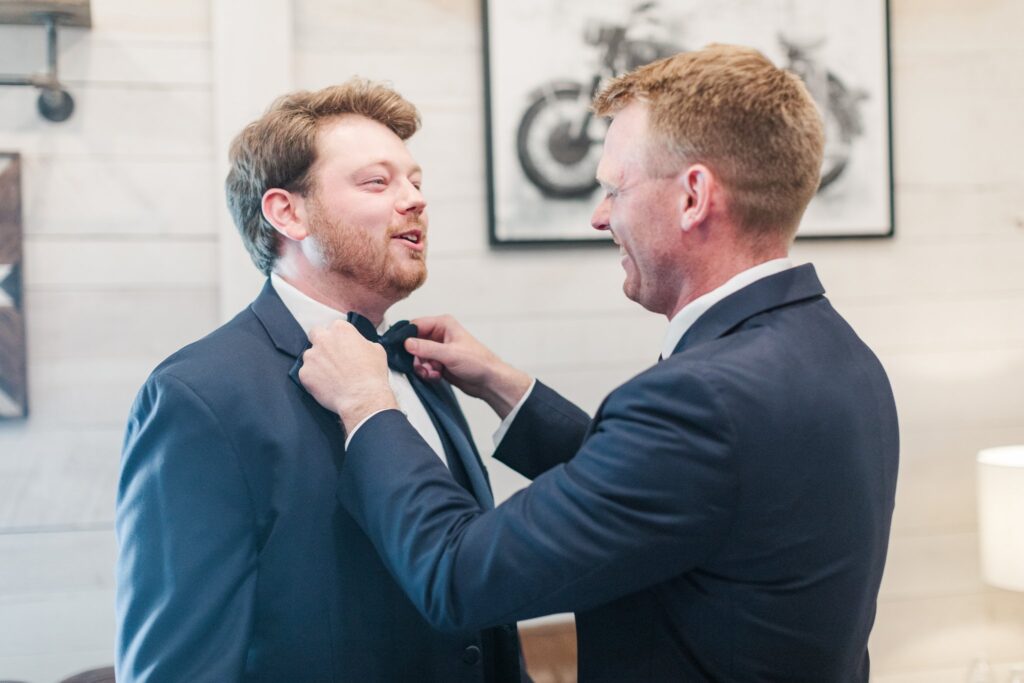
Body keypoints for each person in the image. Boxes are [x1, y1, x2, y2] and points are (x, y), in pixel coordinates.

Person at [298, 45, 900, 682]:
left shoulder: (701, 401)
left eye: (615, 187)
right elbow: (680, 494)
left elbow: (459, 577)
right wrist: (511, 390)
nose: (599, 216)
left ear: (694, 196)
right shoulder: (836, 351)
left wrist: (368, 405)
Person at [115, 79, 525, 682]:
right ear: (288, 212)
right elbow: (177, 665)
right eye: (378, 182)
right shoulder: (198, 396)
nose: (414, 200)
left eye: (415, 181)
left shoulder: (423, 362)